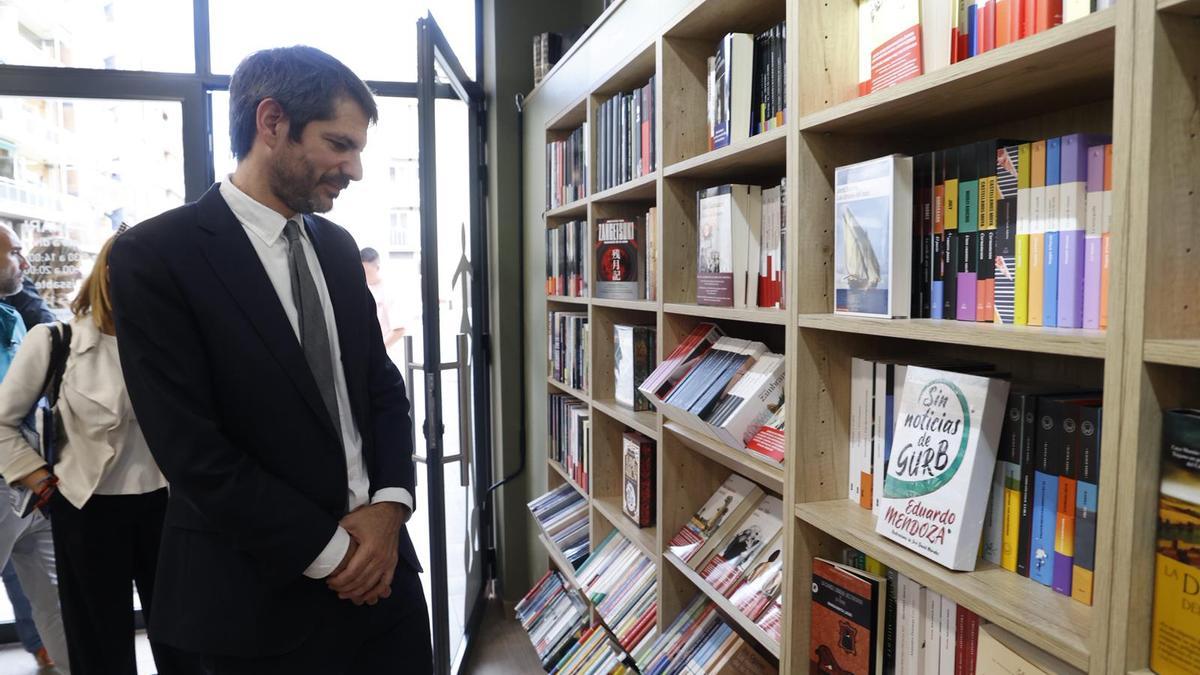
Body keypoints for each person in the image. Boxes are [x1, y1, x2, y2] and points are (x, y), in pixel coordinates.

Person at [107, 45, 430, 674]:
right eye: (339, 144)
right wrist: (336, 553)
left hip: (385, 583)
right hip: (254, 604)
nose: (355, 169)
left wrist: (390, 508)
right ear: (272, 121)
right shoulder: (155, 256)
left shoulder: (336, 249)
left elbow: (381, 388)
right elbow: (194, 451)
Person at [0, 231, 168, 675]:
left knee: (182, 638)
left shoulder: (172, 344)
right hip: (87, 507)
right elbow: (2, 420)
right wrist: (36, 476)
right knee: (98, 645)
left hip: (168, 509)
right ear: (108, 274)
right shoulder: (56, 340)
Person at [0, 224, 70, 673]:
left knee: (60, 604)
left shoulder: (14, 320)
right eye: (15, 253)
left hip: (30, 484)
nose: (24, 263)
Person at [360, 247, 406, 360]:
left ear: (377, 267)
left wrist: (377, 352)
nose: (364, 275)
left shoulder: (388, 290)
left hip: (386, 356)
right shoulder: (361, 289)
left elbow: (399, 330)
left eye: (367, 271)